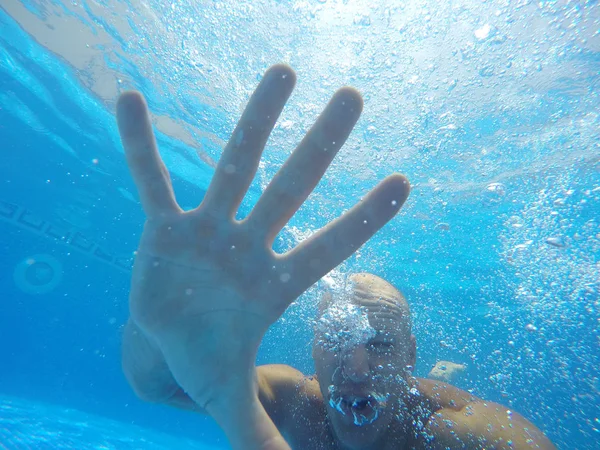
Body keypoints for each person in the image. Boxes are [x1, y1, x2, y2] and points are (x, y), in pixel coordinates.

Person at [116, 64, 555, 449]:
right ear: (313, 350)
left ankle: (447, 371)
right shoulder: (298, 406)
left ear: (410, 356)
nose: (355, 369)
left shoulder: (464, 435)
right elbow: (160, 388)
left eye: (381, 345)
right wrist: (154, 335)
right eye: (335, 341)